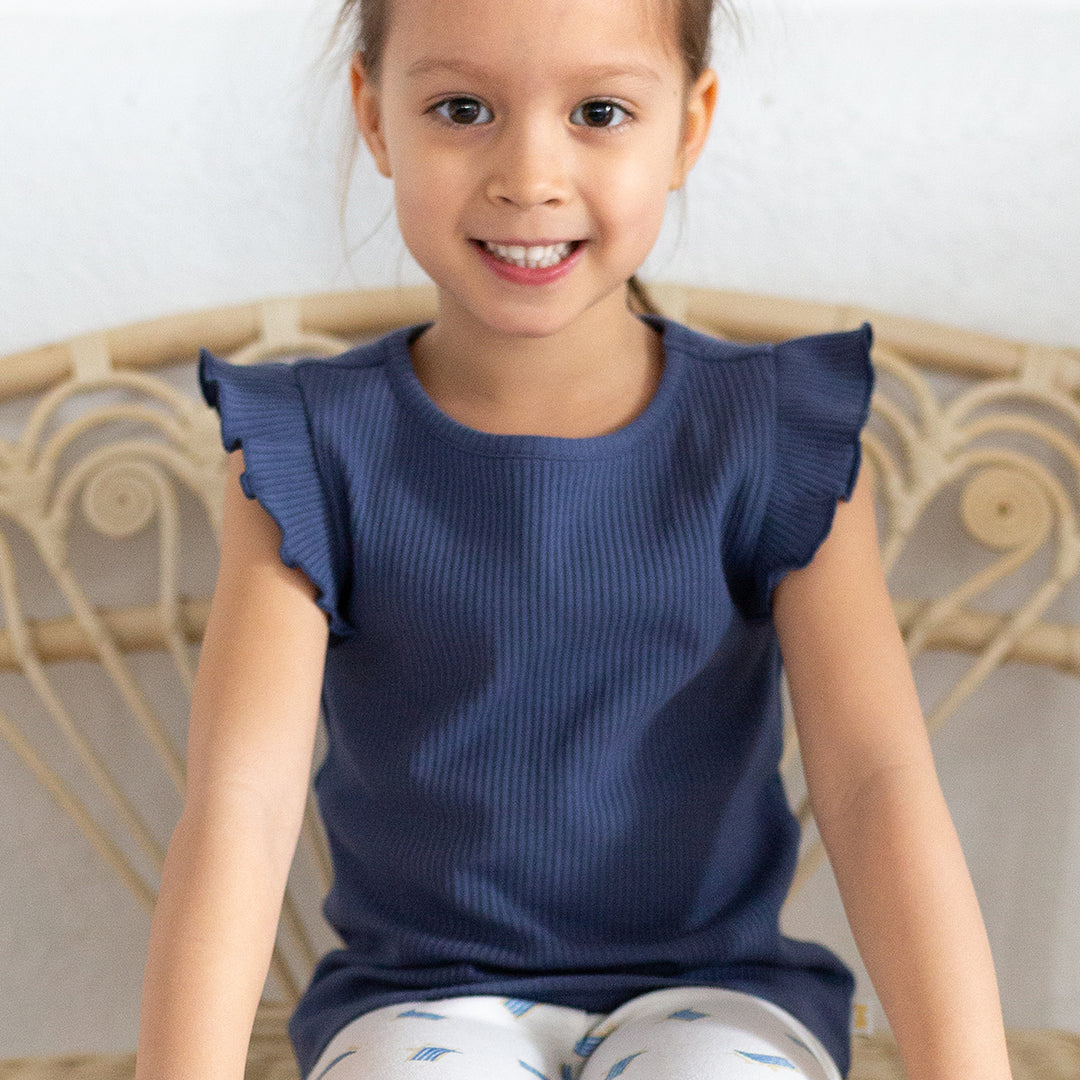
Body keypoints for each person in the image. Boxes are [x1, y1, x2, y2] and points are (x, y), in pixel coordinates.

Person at [135, 0, 1016, 1078]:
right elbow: (242, 803)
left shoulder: (780, 433)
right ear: (375, 117)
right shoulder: (306, 448)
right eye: (462, 109)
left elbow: (876, 782)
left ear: (688, 128)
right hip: (419, 1006)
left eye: (599, 111)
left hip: (719, 999)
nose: (528, 174)